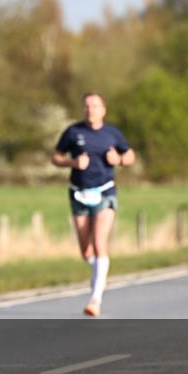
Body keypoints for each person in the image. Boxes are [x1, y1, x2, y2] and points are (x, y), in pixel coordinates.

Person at [52, 92, 135, 317]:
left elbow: (130, 156)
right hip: (79, 192)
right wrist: (72, 162)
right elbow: (56, 157)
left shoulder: (112, 133)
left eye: (95, 106)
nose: (91, 110)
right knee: (85, 250)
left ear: (103, 110)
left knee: (99, 243)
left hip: (105, 191)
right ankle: (101, 270)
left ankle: (95, 299)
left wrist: (119, 160)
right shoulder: (73, 132)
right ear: (83, 109)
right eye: (87, 106)